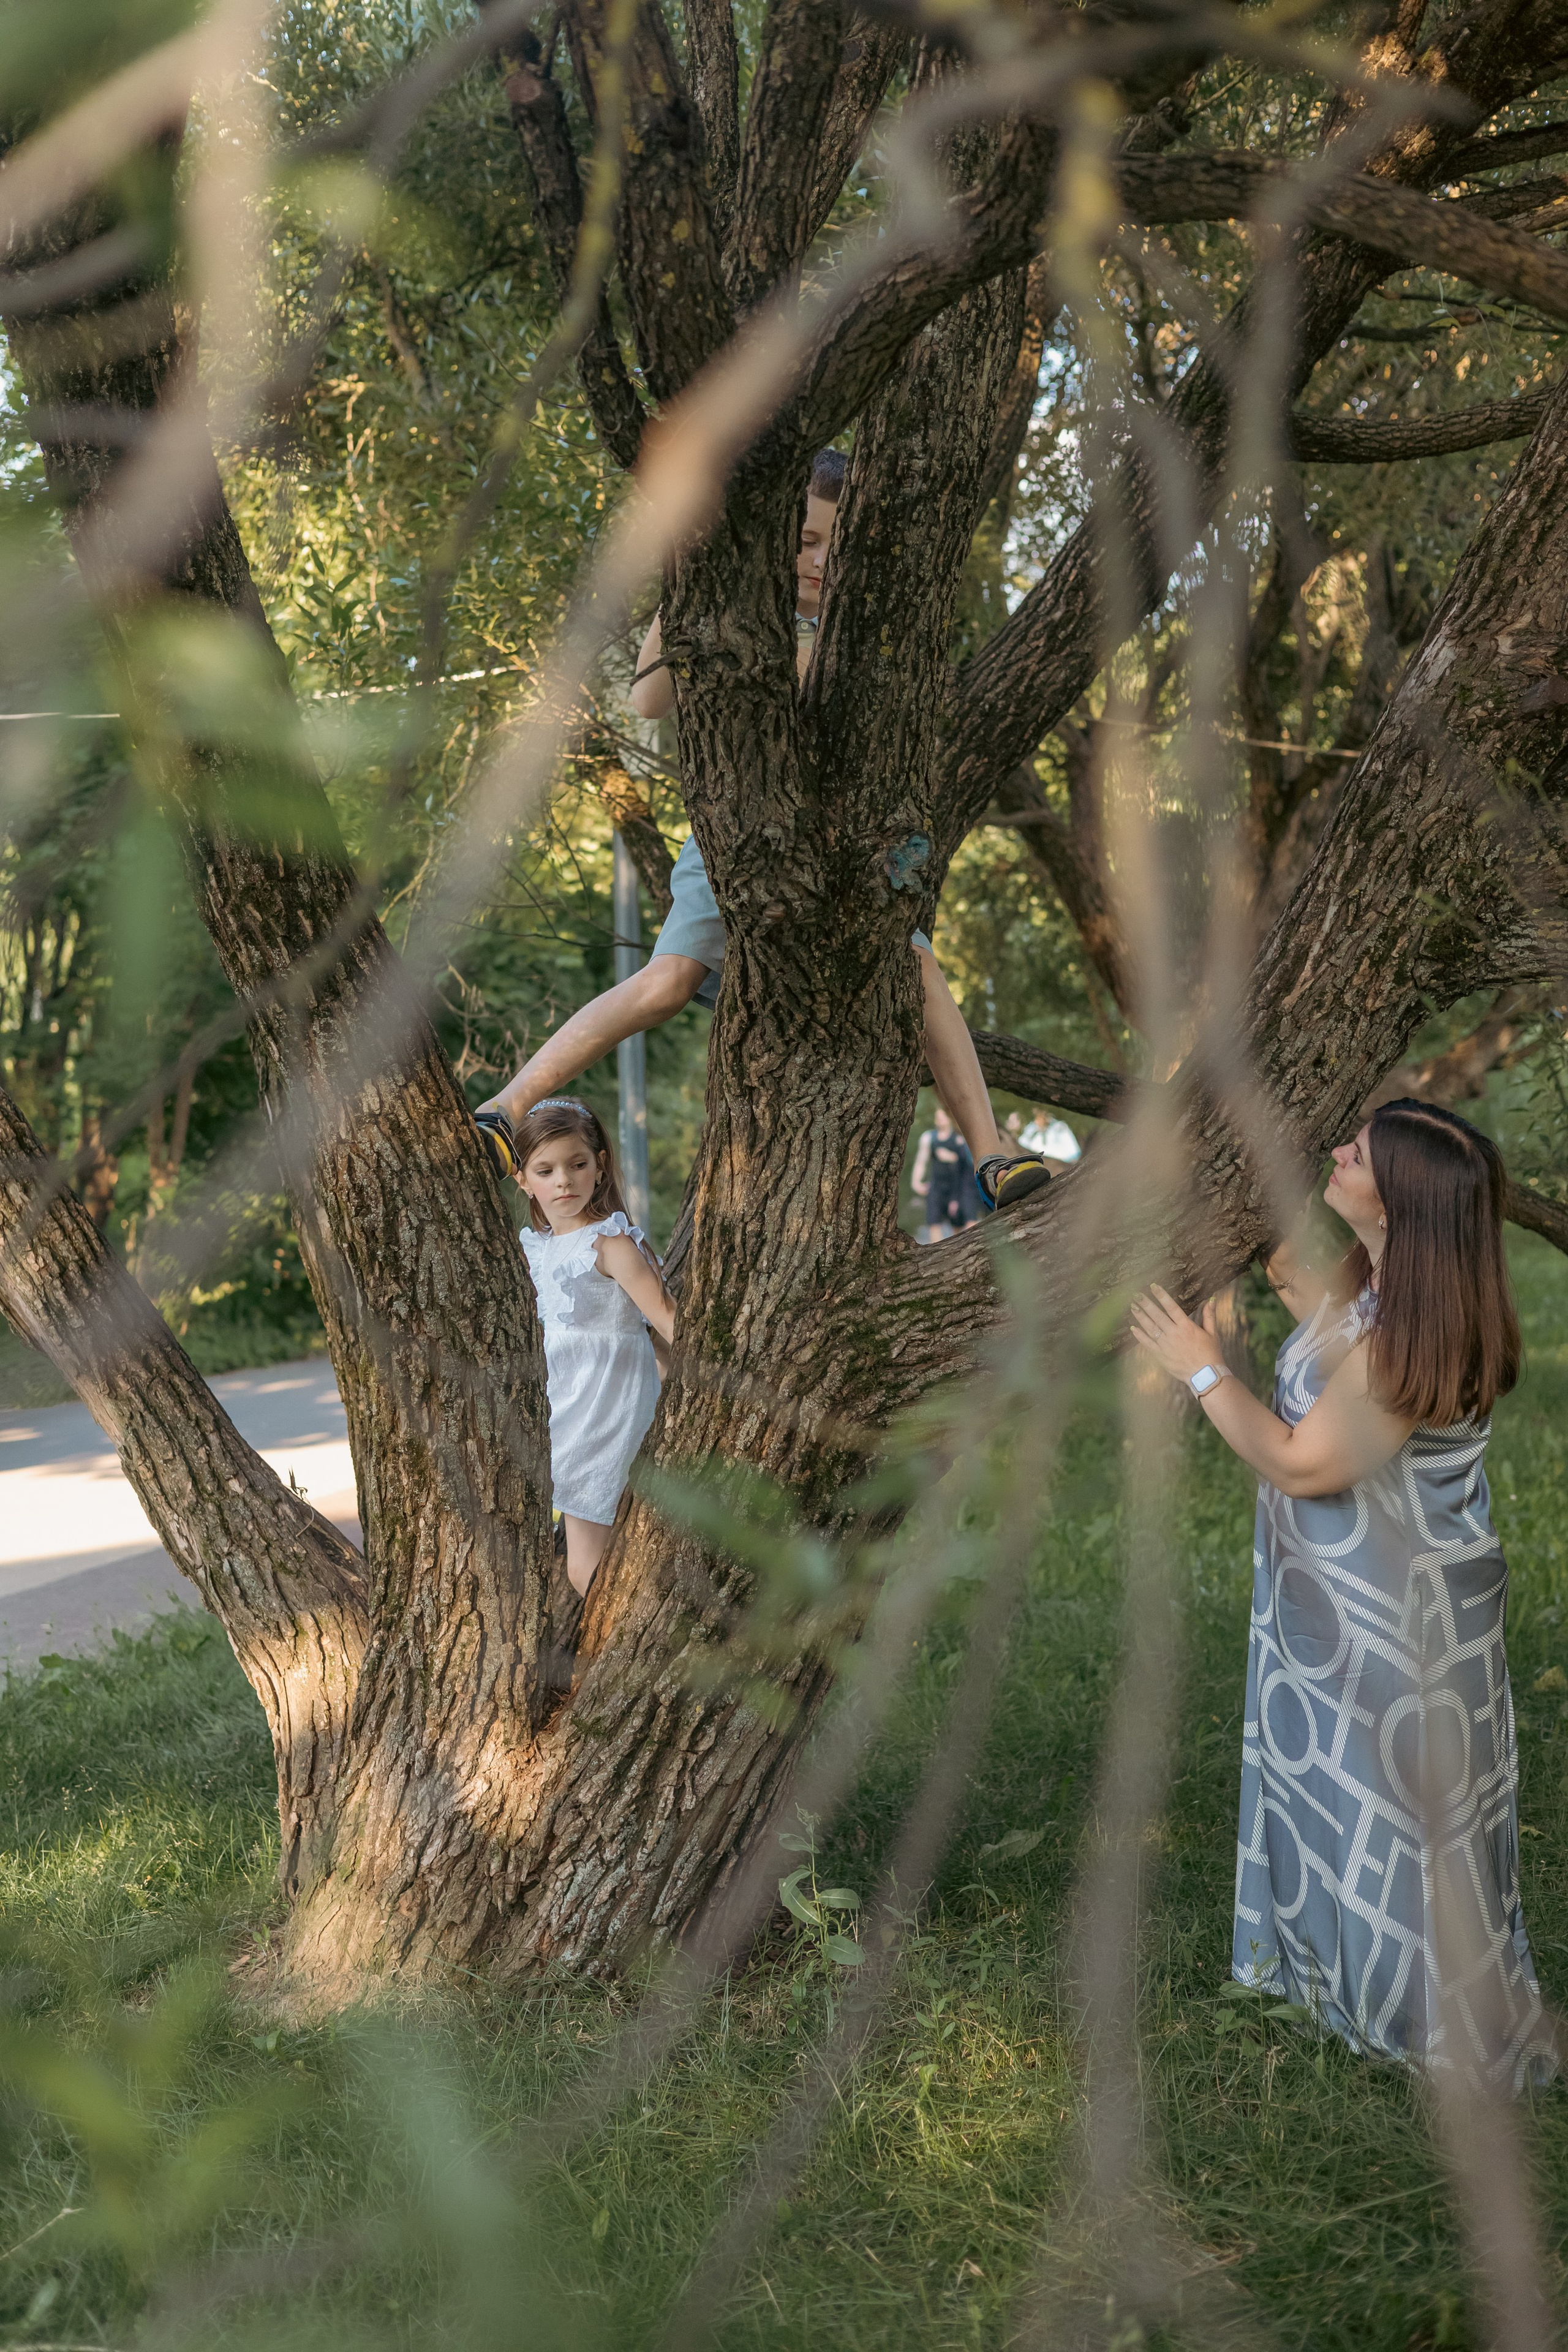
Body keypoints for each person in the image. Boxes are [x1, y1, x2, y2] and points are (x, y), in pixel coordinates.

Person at [473, 450, 1049, 1217]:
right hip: (736, 851)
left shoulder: (866, 635)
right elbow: (647, 704)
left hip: (843, 858)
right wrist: (685, 597)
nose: (816, 560)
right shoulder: (734, 615)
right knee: (665, 984)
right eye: (803, 542)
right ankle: (510, 1109)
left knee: (921, 978)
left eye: (832, 546)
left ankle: (991, 1154)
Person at [1131, 1100, 1553, 2087]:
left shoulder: (1417, 1331)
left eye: (1354, 1151)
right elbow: (1288, 1276)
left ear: (1398, 1196)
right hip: (1345, 1610)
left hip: (1400, 1626)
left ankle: (1416, 2027)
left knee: (1397, 1816)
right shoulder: (1381, 1292)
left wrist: (1198, 1368)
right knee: (1338, 1795)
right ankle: (1334, 1989)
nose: (1337, 1151)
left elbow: (1302, 1462)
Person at [514, 1098, 674, 1597]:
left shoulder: (613, 1246)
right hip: (560, 1409)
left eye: (577, 1164)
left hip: (604, 1410)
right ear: (523, 1180)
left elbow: (669, 1323)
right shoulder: (535, 1249)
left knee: (585, 1563)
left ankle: (632, 1656)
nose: (563, 1181)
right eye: (546, 1170)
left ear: (600, 1165)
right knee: (580, 1557)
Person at [1019, 1106, 1082, 1174]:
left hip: (1061, 1165)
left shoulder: (1059, 1127)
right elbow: (1021, 1144)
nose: (1037, 1120)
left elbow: (1072, 1150)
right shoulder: (1031, 1130)